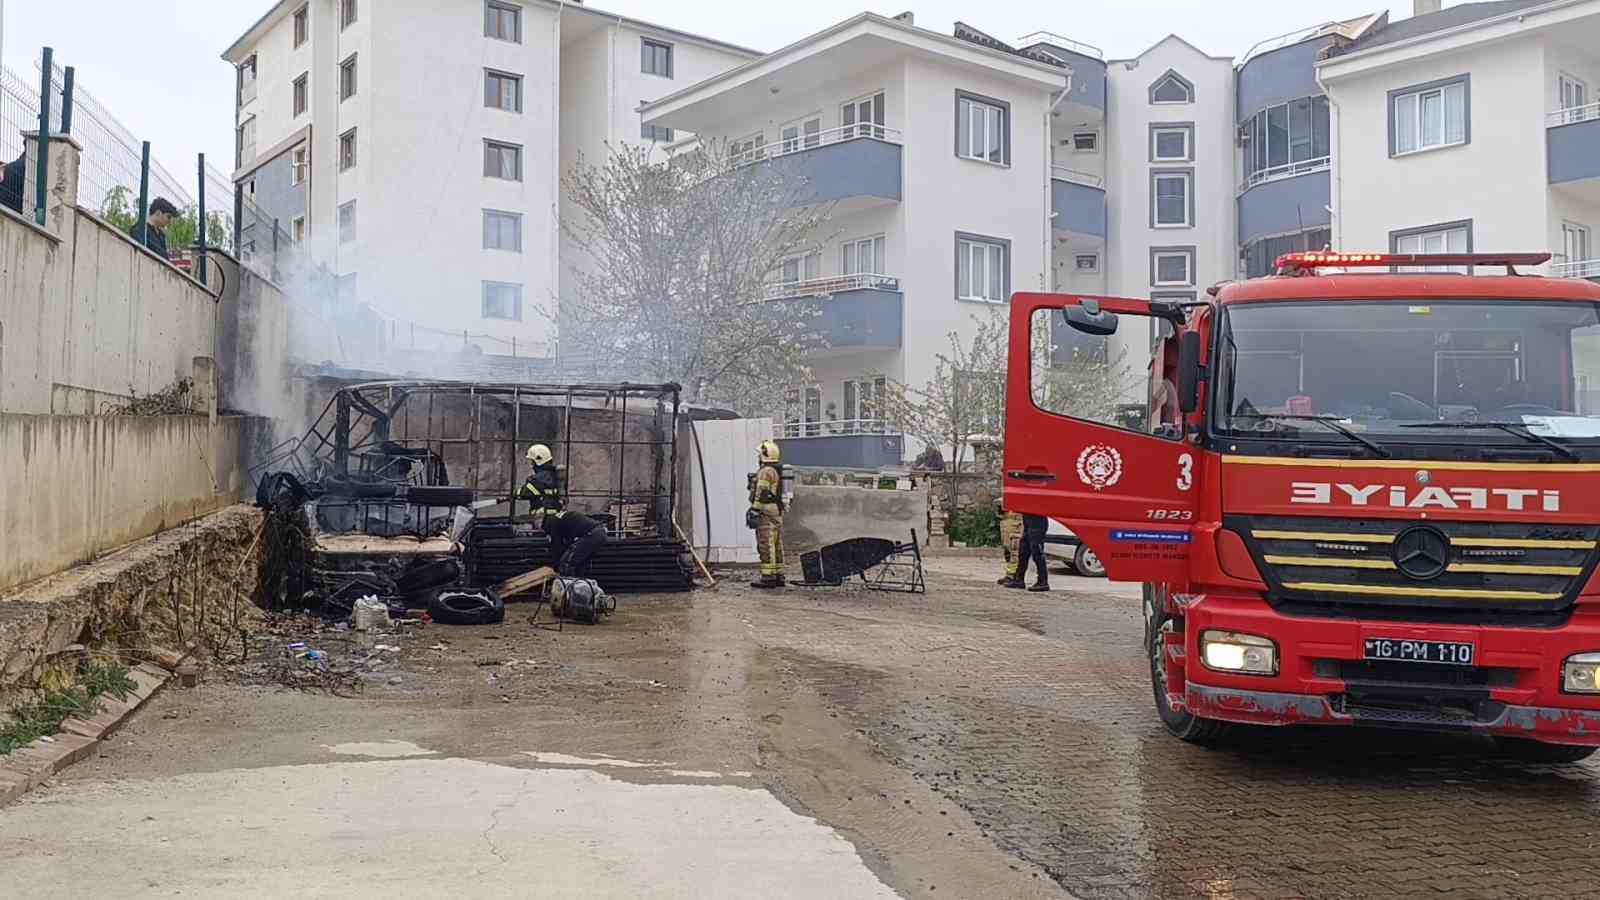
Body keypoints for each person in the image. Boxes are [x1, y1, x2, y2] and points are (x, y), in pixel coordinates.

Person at [519, 443, 608, 577]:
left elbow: (525, 492)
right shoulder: (555, 477)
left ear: (537, 460)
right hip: (596, 532)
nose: (531, 464)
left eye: (531, 461)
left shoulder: (539, 480)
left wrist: (515, 493)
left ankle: (569, 587)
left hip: (593, 534)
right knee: (574, 560)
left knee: (566, 563)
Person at [748, 439, 786, 589]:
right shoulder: (775, 470)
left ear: (765, 455)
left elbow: (762, 493)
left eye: (759, 454)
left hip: (766, 511)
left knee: (765, 543)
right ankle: (779, 575)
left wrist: (755, 510)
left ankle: (768, 577)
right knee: (776, 544)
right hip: (776, 510)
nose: (758, 457)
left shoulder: (765, 471)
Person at [1014, 513, 1050, 592]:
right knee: (1023, 551)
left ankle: (1043, 582)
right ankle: (1019, 579)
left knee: (1037, 553)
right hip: (1028, 520)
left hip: (1038, 521)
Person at [997, 498, 1025, 589]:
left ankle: (1012, 576)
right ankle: (1009, 575)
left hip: (1015, 528)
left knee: (1014, 554)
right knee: (1008, 553)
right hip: (1007, 527)